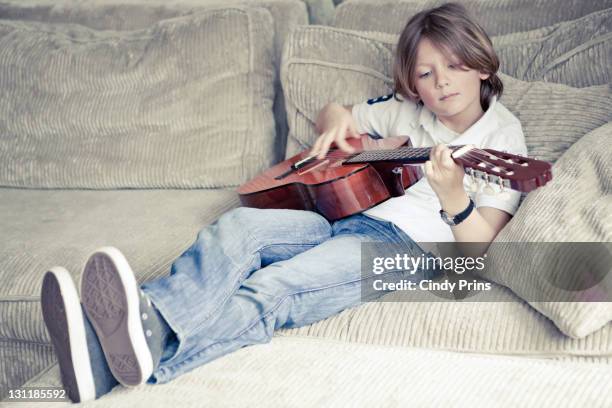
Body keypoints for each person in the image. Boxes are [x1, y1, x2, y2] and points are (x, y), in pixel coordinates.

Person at [40, 2, 527, 403]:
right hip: (342, 217)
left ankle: (122, 357)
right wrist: (336, 123)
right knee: (236, 230)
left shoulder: (504, 141)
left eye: (455, 66)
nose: (441, 82)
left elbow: (477, 248)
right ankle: (117, 335)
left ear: (482, 65)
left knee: (274, 287)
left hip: (404, 249)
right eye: (426, 73)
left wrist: (454, 197)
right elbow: (335, 112)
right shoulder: (408, 111)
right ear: (411, 83)